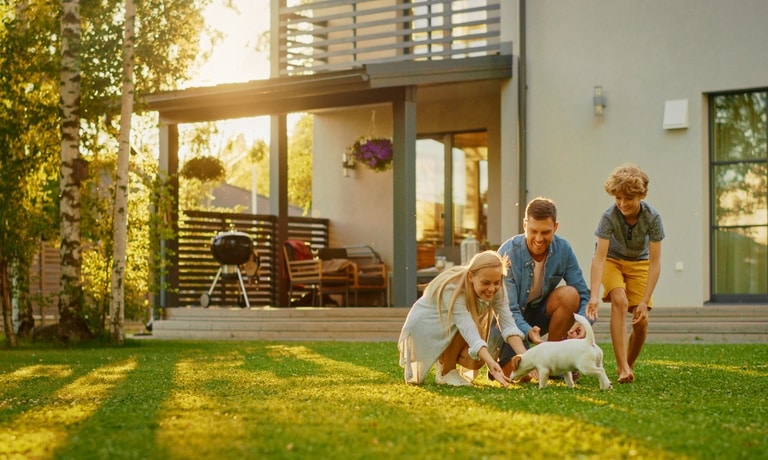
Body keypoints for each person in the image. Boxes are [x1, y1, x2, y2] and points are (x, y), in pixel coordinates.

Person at [398, 251, 528, 387]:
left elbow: (508, 325)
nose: (492, 288)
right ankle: (446, 372)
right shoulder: (453, 288)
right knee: (468, 332)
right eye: (485, 283)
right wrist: (491, 362)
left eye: (497, 282)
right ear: (471, 276)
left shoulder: (497, 288)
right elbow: (466, 327)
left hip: (451, 326)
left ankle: (446, 365)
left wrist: (528, 360)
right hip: (425, 327)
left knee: (476, 361)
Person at [495, 197, 591, 378]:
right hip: (509, 320)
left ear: (555, 227)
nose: (539, 239)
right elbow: (509, 310)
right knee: (521, 376)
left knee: (570, 294)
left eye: (546, 232)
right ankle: (505, 364)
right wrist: (528, 332)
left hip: (539, 314)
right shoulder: (507, 253)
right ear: (524, 225)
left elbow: (583, 294)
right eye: (533, 231)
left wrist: (583, 322)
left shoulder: (563, 249)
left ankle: (553, 361)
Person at [586, 163, 664, 384]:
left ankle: (628, 366)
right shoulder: (609, 217)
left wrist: (645, 300)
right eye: (617, 198)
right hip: (612, 260)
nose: (622, 204)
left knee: (641, 322)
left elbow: (656, 262)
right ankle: (621, 367)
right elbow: (599, 258)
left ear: (641, 195)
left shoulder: (652, 218)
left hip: (640, 263)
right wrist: (594, 296)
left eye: (628, 199)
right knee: (619, 299)